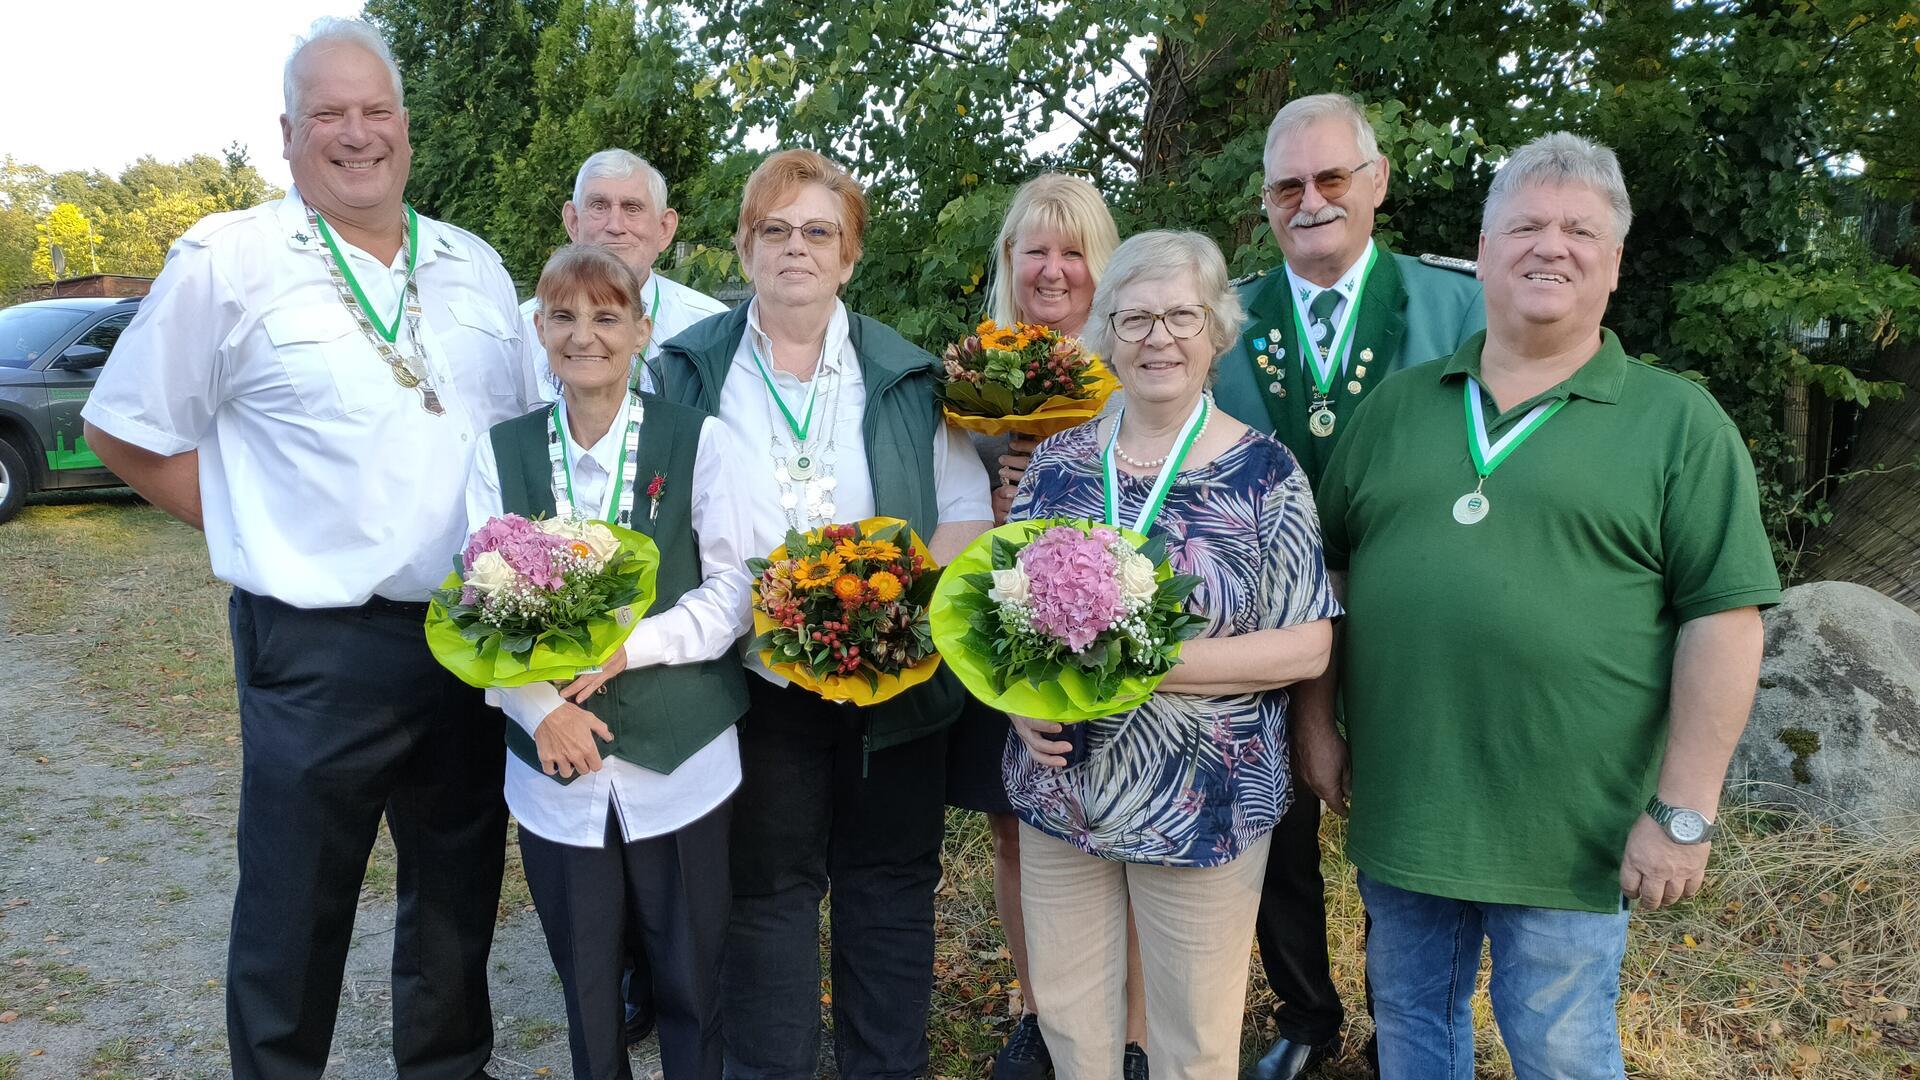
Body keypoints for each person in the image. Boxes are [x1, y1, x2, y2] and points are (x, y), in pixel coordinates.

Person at [79, 17, 530, 1078]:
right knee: (294, 918)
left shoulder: (473, 266)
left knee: (457, 907)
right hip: (315, 649)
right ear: (288, 133)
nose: (356, 134)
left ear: (407, 131)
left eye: (376, 112)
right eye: (329, 113)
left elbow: (519, 445)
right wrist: (252, 525)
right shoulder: (229, 261)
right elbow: (123, 428)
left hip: (473, 636)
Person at [1310, 132, 1778, 1080]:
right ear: (1480, 254)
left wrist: (1685, 810)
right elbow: (1331, 583)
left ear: (1613, 263)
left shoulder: (1677, 423)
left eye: (1579, 231)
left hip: (1573, 833)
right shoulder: (1394, 411)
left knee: (1562, 1052)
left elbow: (1724, 621)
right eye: (1523, 225)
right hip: (1408, 815)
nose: (1548, 246)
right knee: (1410, 1041)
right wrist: (1314, 722)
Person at [653, 149, 994, 1079]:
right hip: (755, 683)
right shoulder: (684, 370)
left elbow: (964, 512)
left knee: (888, 888)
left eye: (819, 232)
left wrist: (895, 604)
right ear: (743, 247)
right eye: (775, 229)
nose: (795, 249)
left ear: (849, 259)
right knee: (766, 897)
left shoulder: (909, 375)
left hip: (894, 681)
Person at [1004, 230, 1340, 1080]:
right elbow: (998, 622)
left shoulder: (1266, 474)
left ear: (1216, 330)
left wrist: (1147, 665)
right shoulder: (1057, 466)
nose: (1159, 338)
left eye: (1181, 316)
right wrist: (1015, 702)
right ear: (1106, 334)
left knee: (1193, 1044)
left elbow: (1309, 643)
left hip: (1204, 798)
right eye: (1136, 317)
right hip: (1063, 791)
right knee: (1075, 1031)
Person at [1209, 92, 1487, 1080]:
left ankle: (1398, 1017)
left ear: (1375, 182)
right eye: (1289, 185)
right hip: (1260, 621)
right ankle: (1305, 1010)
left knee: (1397, 815)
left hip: (1410, 613)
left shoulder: (1464, 305)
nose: (1311, 200)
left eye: (1332, 178)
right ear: (1267, 202)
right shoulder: (1221, 315)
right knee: (1276, 820)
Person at [465, 244, 752, 1080]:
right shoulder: (502, 450)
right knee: (588, 994)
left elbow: (735, 587)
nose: (583, 334)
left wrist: (639, 646)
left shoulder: (698, 439)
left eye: (605, 315)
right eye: (562, 315)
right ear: (539, 330)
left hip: (683, 761)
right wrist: (538, 710)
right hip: (555, 776)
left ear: (642, 331)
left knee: (693, 982)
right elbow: (472, 605)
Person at [944, 173, 1150, 1080]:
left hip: (1116, 632)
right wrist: (997, 508)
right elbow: (949, 515)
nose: (1055, 271)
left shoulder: (1140, 366)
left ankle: (1137, 1033)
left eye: (1075, 252)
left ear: (1103, 267)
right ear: (1009, 262)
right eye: (1037, 250)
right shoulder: (971, 375)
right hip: (1009, 632)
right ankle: (1041, 1012)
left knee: (1126, 832)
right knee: (1015, 827)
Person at [520, 149, 728, 401]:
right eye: (599, 206)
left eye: (632, 208)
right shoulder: (519, 332)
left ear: (664, 228)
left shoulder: (713, 328)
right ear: (573, 222)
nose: (615, 226)